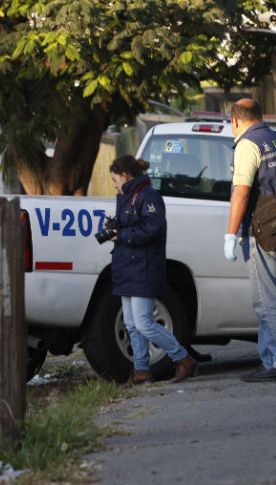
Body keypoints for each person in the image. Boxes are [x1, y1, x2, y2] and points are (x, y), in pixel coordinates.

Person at [224, 99, 276, 383]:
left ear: (235, 120)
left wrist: (230, 233)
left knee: (266, 301)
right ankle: (271, 360)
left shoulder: (248, 145)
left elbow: (241, 193)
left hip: (263, 234)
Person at [108, 155, 198, 385]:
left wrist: (123, 234)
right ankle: (141, 369)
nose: (114, 184)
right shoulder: (127, 197)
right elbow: (136, 225)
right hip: (128, 268)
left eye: (115, 179)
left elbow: (153, 228)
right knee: (131, 323)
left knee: (144, 323)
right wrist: (115, 227)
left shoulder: (149, 197)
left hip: (143, 268)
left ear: (125, 175)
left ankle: (183, 359)